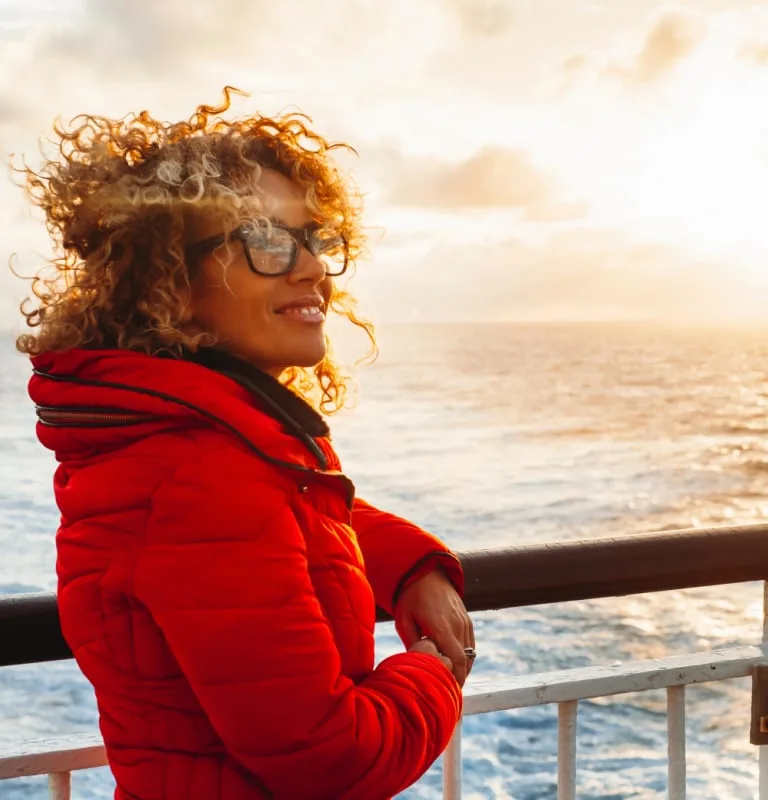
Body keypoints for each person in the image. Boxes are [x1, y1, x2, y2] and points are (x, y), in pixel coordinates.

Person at [15, 87, 476, 800]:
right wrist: (432, 669)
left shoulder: (189, 440)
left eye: (316, 240)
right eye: (266, 241)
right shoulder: (199, 477)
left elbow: (290, 517)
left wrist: (414, 564)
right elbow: (333, 759)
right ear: (169, 281)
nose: (313, 268)